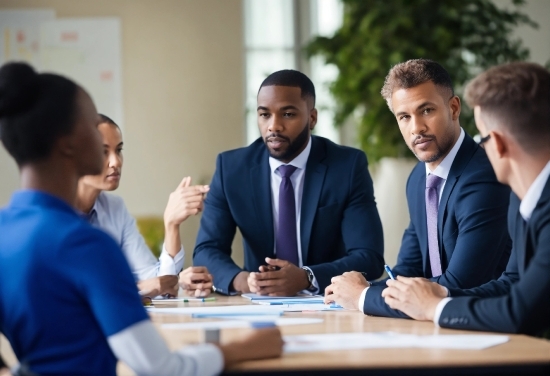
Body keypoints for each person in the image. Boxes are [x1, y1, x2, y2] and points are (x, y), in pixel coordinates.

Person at [0, 62, 283, 376]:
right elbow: (163, 369)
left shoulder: (5, 231)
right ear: (67, 142)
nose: (112, 155)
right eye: (91, 123)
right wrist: (244, 347)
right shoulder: (85, 244)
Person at [324, 59, 511, 317]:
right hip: (434, 328)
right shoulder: (418, 179)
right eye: (404, 116)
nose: (417, 128)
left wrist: (364, 297)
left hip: (482, 327)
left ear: (454, 108)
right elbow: (407, 271)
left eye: (426, 111)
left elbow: (459, 286)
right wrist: (357, 289)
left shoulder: (484, 177)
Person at [381, 62, 550, 336]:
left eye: (482, 138)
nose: (416, 128)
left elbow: (519, 311)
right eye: (404, 117)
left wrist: (432, 307)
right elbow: (511, 283)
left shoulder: (490, 181)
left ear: (497, 144)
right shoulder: (523, 202)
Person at [193, 69, 384, 296]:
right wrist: (243, 280)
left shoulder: (347, 166)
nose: (274, 126)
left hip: (328, 302)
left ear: (311, 118)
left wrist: (307, 277)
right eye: (265, 115)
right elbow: (206, 249)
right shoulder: (232, 168)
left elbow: (369, 257)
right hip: (258, 303)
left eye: (288, 114)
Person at [75, 114, 213, 297]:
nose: (116, 162)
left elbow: (156, 282)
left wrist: (171, 224)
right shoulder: (51, 212)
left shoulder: (115, 209)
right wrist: (142, 286)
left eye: (119, 150)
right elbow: (74, 292)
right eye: (103, 152)